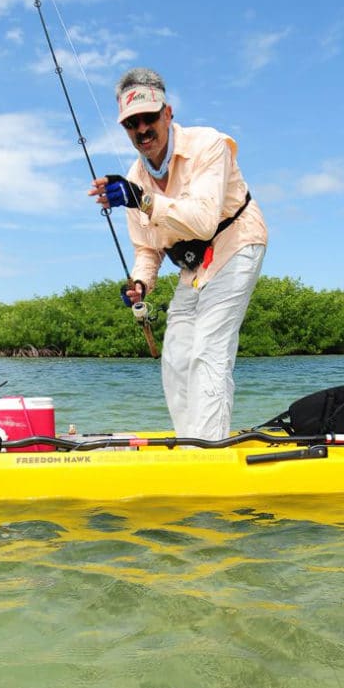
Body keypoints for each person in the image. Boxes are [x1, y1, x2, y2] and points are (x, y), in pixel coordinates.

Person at [89, 68, 267, 441]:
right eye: (131, 124)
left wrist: (142, 198)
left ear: (167, 114)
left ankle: (210, 448)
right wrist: (141, 282)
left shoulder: (209, 145)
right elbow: (146, 248)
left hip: (236, 242)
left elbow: (203, 221)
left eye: (149, 118)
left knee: (208, 349)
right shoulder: (134, 176)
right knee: (175, 358)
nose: (142, 130)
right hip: (193, 267)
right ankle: (191, 445)